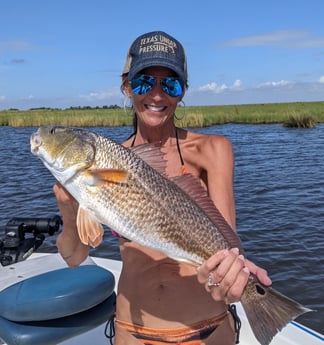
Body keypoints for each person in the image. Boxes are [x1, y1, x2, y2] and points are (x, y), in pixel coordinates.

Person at [53, 31, 271, 345]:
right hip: (132, 332)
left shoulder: (213, 149)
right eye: (144, 82)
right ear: (126, 86)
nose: (156, 96)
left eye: (170, 84)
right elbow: (74, 257)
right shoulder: (103, 163)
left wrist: (226, 278)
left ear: (183, 92)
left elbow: (226, 245)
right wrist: (68, 207)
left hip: (208, 331)